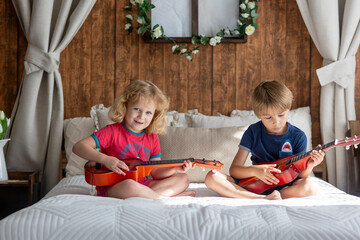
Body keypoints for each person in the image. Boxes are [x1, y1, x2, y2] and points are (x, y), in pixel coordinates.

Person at [73, 80, 195, 199]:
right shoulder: (112, 131)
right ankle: (163, 198)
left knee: (183, 179)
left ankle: (150, 196)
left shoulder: (152, 138)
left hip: (142, 185)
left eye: (148, 112)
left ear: (154, 115)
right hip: (114, 187)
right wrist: (105, 159)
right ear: (125, 107)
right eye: (137, 109)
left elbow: (155, 171)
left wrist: (174, 168)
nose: (141, 116)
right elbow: (79, 147)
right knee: (130, 185)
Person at [205, 80, 325, 200]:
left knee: (311, 187)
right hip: (254, 183)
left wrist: (310, 166)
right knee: (212, 177)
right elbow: (235, 170)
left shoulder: (298, 136)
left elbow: (300, 176)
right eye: (268, 117)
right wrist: (256, 171)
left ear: (288, 109)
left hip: (284, 186)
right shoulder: (253, 132)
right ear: (258, 115)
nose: (276, 122)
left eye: (281, 115)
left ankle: (269, 196)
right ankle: (260, 198)